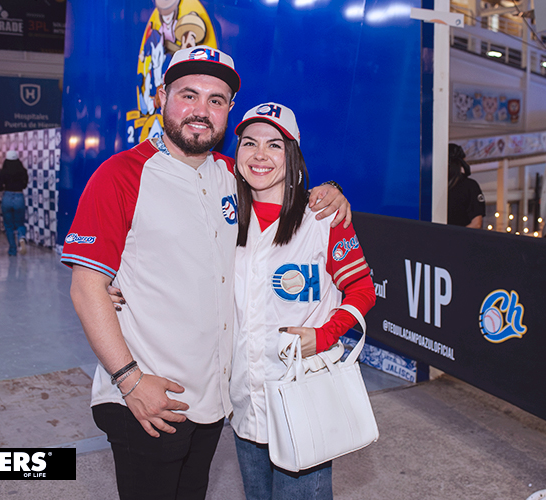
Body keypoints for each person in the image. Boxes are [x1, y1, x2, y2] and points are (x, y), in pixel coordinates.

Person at [61, 45, 351, 500]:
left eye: (216, 100)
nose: (201, 110)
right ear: (161, 97)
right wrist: (130, 381)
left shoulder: (233, 175)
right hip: (148, 398)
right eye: (188, 95)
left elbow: (283, 180)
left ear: (229, 109)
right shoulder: (121, 175)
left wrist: (330, 190)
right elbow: (85, 289)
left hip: (212, 403)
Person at [228, 103, 376, 500]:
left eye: (274, 145)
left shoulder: (322, 218)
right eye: (249, 143)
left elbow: (362, 289)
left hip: (302, 395)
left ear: (291, 154)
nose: (260, 154)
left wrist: (325, 335)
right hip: (244, 395)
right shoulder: (225, 219)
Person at [0, 150, 29, 256]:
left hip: (7, 197)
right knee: (20, 223)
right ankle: (21, 237)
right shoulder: (23, 171)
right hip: (19, 197)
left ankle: (12, 250)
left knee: (9, 225)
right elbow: (24, 185)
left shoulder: (4, 171)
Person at [447, 143, 485, 228]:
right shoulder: (471, 186)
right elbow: (476, 223)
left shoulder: (469, 186)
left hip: (440, 234)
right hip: (457, 235)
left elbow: (476, 223)